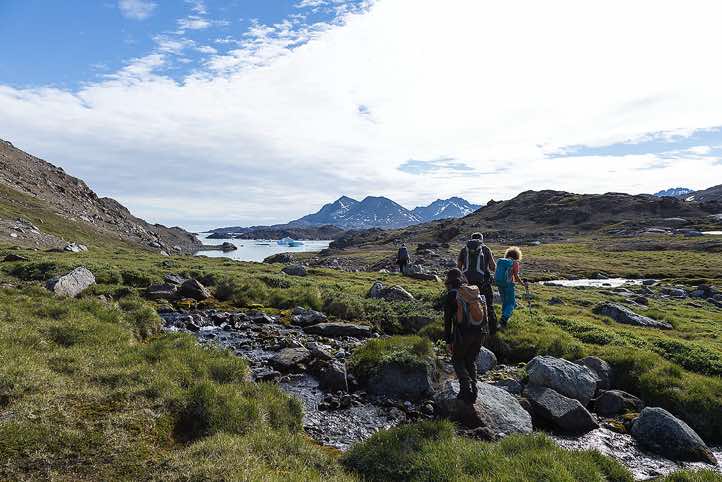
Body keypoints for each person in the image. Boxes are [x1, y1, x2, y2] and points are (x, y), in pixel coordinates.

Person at [443, 268, 488, 404]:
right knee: (470, 361)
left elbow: (447, 321)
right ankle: (474, 390)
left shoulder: (451, 295)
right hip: (479, 332)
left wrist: (448, 340)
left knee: (457, 359)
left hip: (463, 334)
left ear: (449, 281)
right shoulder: (472, 292)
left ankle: (464, 389)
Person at [457, 233, 498, 334]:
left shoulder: (464, 249)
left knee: (468, 304)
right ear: (481, 240)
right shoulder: (486, 249)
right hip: (483, 282)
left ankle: (469, 328)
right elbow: (493, 267)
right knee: (488, 305)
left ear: (471, 239)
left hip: (468, 284)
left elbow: (458, 267)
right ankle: (492, 332)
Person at [494, 246, 524, 329]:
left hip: (500, 284)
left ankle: (503, 320)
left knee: (505, 302)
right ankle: (503, 320)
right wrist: (523, 284)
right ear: (517, 255)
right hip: (509, 285)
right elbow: (516, 276)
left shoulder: (501, 261)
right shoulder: (515, 263)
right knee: (511, 303)